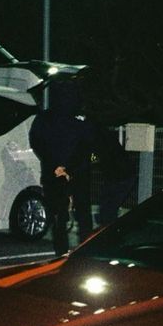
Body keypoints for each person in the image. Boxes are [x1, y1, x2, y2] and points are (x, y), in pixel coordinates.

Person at [29, 81, 95, 255]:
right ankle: (84, 251)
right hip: (78, 173)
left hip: (53, 173)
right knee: (82, 214)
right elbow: (86, 146)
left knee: (58, 215)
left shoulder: (44, 118)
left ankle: (61, 251)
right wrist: (70, 168)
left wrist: (55, 166)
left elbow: (37, 143)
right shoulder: (81, 118)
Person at [91, 125, 136, 226]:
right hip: (120, 176)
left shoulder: (99, 140)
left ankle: (107, 229)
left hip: (120, 177)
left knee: (108, 208)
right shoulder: (105, 137)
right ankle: (107, 227)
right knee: (108, 207)